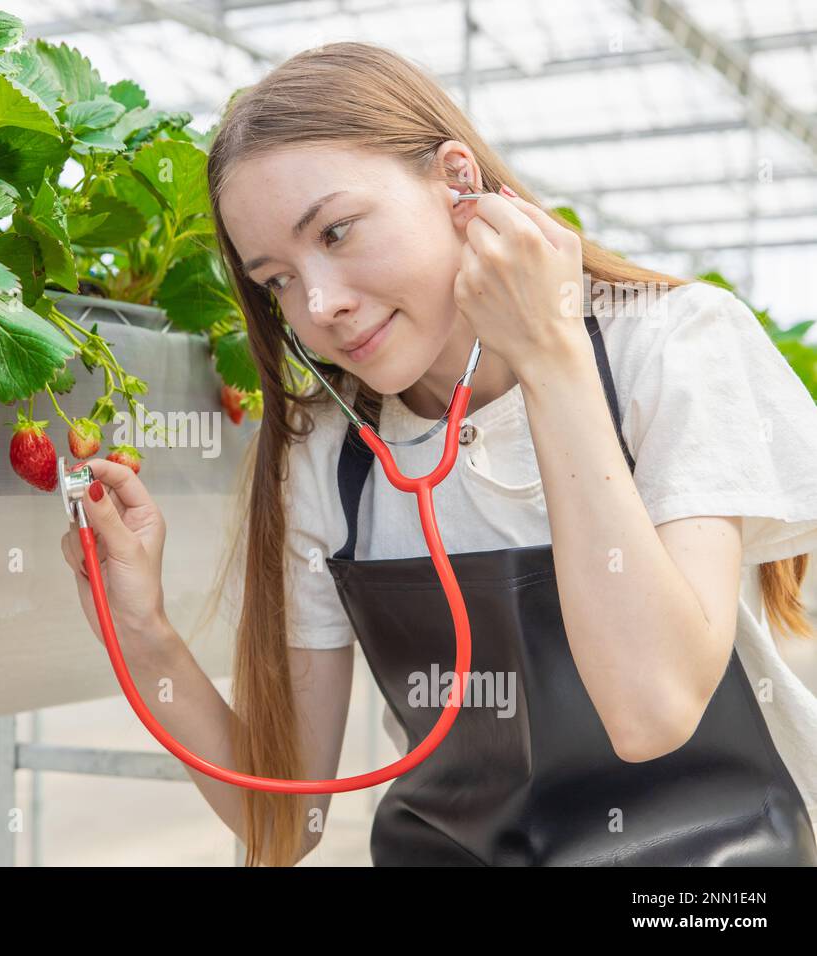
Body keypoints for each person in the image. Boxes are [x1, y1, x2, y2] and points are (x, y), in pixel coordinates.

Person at [58, 41, 817, 868]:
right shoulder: (329, 456)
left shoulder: (673, 346)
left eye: (338, 232)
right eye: (275, 279)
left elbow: (652, 711)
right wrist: (141, 628)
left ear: (459, 181)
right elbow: (284, 822)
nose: (320, 306)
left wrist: (550, 353)